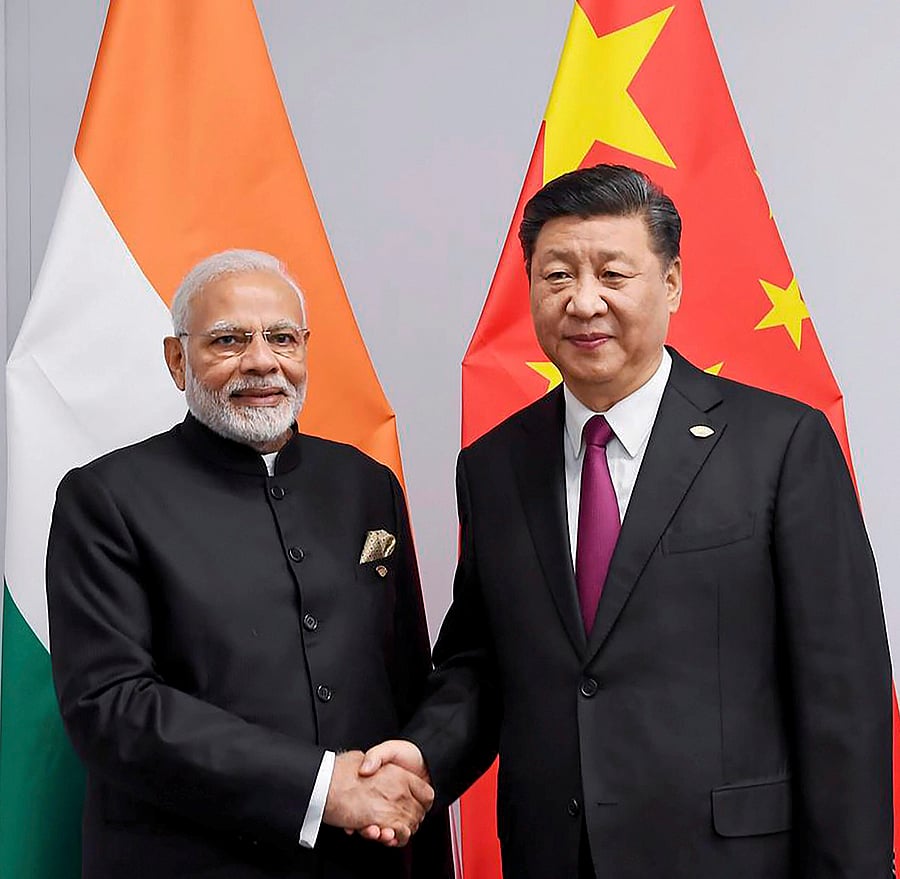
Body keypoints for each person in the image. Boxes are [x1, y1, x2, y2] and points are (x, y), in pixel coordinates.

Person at [360, 165, 893, 878]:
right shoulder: (494, 465)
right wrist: (422, 752)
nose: (583, 302)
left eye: (614, 273)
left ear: (670, 283)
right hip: (554, 855)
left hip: (734, 859)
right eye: (557, 276)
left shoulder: (781, 444)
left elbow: (843, 695)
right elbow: (483, 661)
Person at [46, 249, 450, 879]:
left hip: (368, 860)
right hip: (188, 861)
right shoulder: (105, 498)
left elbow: (405, 678)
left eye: (282, 338)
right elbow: (110, 704)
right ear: (177, 360)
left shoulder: (366, 484)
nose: (262, 361)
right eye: (229, 340)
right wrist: (322, 787)